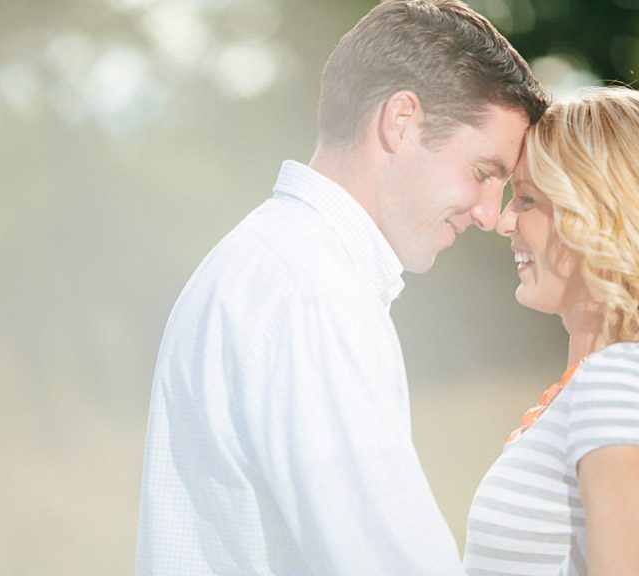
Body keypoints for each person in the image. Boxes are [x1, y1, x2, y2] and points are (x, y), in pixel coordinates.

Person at [134, 1, 548, 574]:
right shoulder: (316, 295)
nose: (488, 213)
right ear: (401, 121)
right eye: (482, 173)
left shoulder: (267, 260)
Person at [463, 86, 639, 575]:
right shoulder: (606, 377)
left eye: (527, 199)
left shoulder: (626, 378)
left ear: (601, 217)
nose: (503, 221)